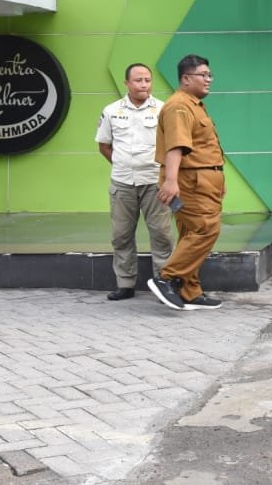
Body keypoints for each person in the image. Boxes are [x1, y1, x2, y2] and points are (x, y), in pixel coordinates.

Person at [147, 54, 226, 311]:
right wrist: (170, 181)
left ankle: (190, 291)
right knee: (206, 229)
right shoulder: (179, 106)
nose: (208, 80)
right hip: (191, 181)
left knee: (191, 233)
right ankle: (167, 278)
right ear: (185, 78)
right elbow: (176, 146)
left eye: (209, 75)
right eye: (203, 75)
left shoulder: (193, 105)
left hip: (201, 181)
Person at [96, 63, 174, 301]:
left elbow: (173, 148)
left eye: (148, 80)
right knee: (121, 235)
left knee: (162, 235)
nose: (144, 85)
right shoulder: (111, 110)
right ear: (127, 83)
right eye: (138, 80)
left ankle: (165, 283)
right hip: (122, 183)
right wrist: (123, 164)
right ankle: (125, 284)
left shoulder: (164, 109)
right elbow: (104, 146)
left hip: (154, 183)